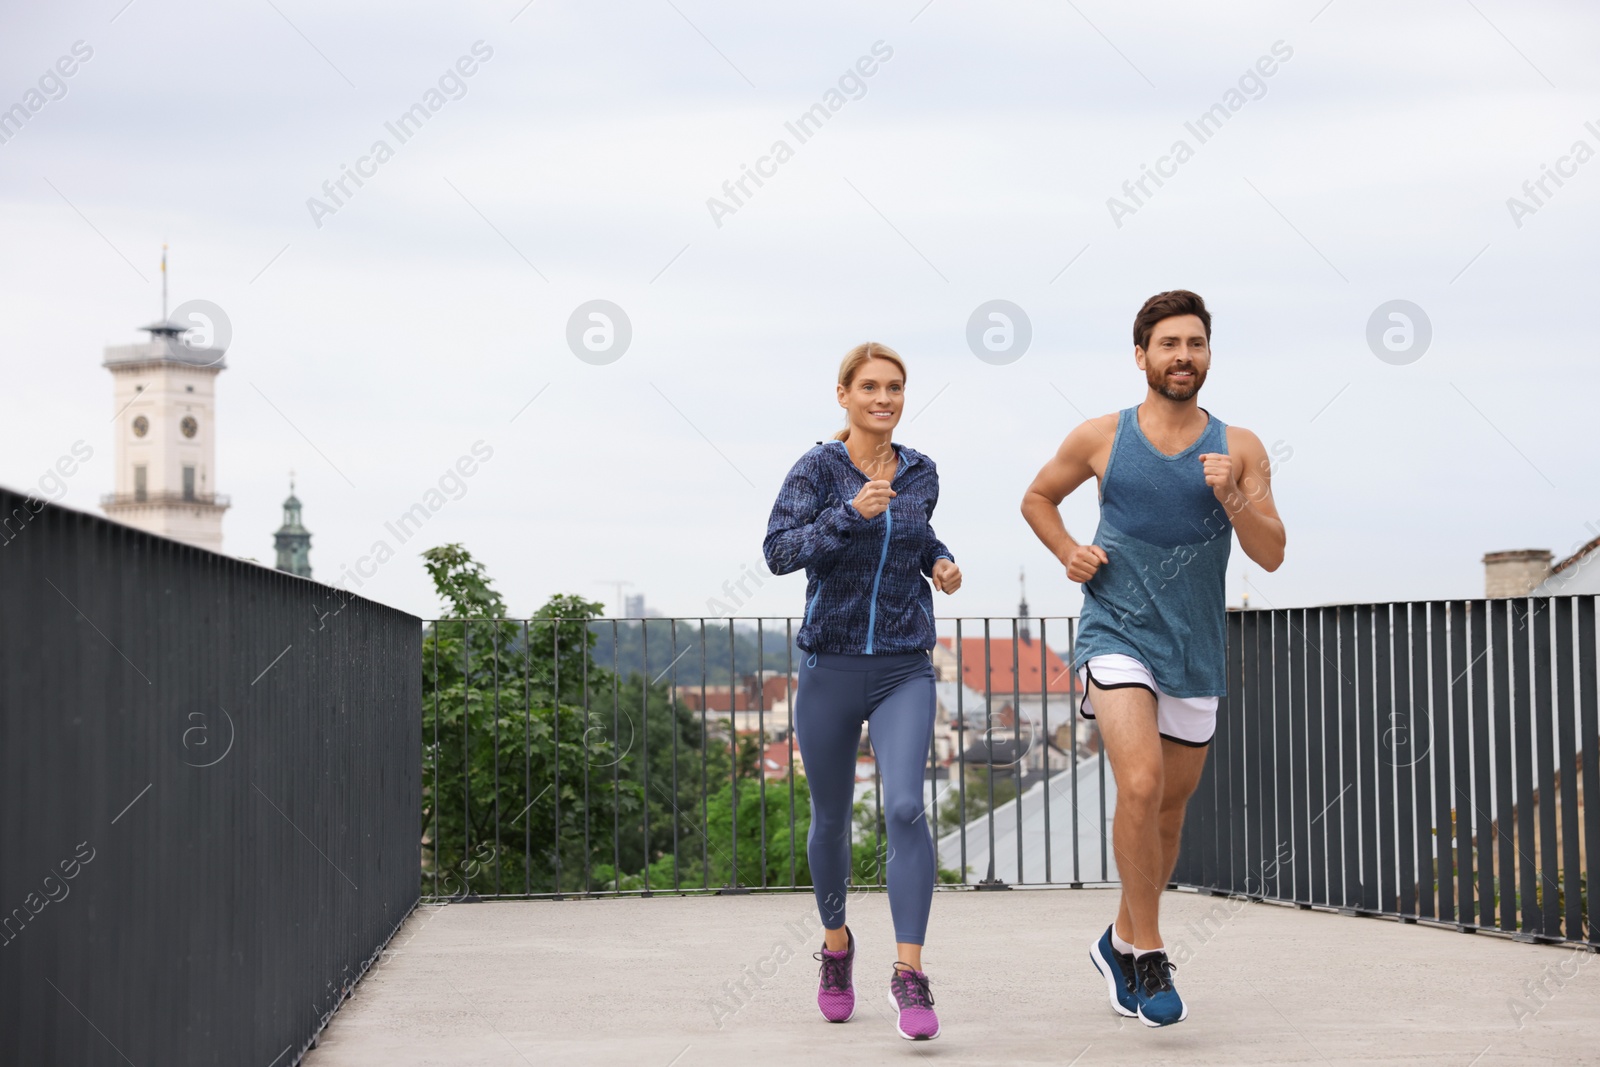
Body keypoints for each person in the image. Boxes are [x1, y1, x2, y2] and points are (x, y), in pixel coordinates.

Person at [1020, 290, 1286, 1027]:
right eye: (1168, 344)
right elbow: (1038, 497)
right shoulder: (1103, 437)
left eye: (1195, 343)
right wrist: (1070, 549)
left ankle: (1120, 936)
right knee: (1139, 782)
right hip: (1117, 632)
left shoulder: (1242, 447)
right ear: (1141, 355)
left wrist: (1234, 495)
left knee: (1168, 811)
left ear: (1209, 353)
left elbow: (1270, 552)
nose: (1182, 356)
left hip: (1196, 644)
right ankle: (1151, 953)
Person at [763, 342, 962, 1041]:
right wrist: (849, 512)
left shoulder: (920, 471)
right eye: (871, 386)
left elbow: (917, 534)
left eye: (896, 386)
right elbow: (779, 551)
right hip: (831, 667)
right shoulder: (817, 468)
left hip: (904, 664)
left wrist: (938, 559)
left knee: (906, 806)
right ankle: (837, 945)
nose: (885, 397)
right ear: (843, 394)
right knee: (830, 818)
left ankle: (910, 972)